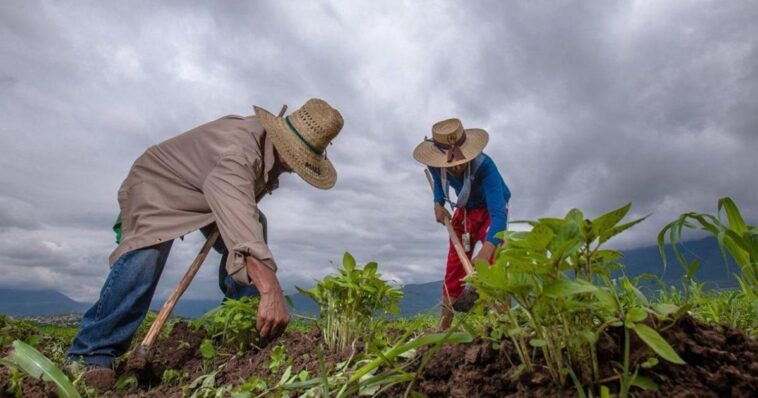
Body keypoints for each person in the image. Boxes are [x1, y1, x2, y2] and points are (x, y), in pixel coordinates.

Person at [67, 98, 344, 389]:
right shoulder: (239, 152)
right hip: (157, 185)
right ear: (285, 147)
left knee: (256, 226)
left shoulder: (265, 154)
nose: (293, 170)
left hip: (204, 191)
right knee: (148, 252)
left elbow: (244, 218)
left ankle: (242, 331)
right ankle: (91, 353)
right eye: (296, 160)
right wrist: (270, 287)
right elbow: (241, 222)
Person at [412, 118, 511, 330]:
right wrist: (438, 202)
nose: (455, 168)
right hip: (465, 210)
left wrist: (486, 250)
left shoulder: (486, 167)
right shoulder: (435, 164)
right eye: (450, 164)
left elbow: (499, 216)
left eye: (460, 163)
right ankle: (444, 326)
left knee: (496, 259)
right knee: (455, 263)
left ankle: (506, 324)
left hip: (490, 210)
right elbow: (439, 183)